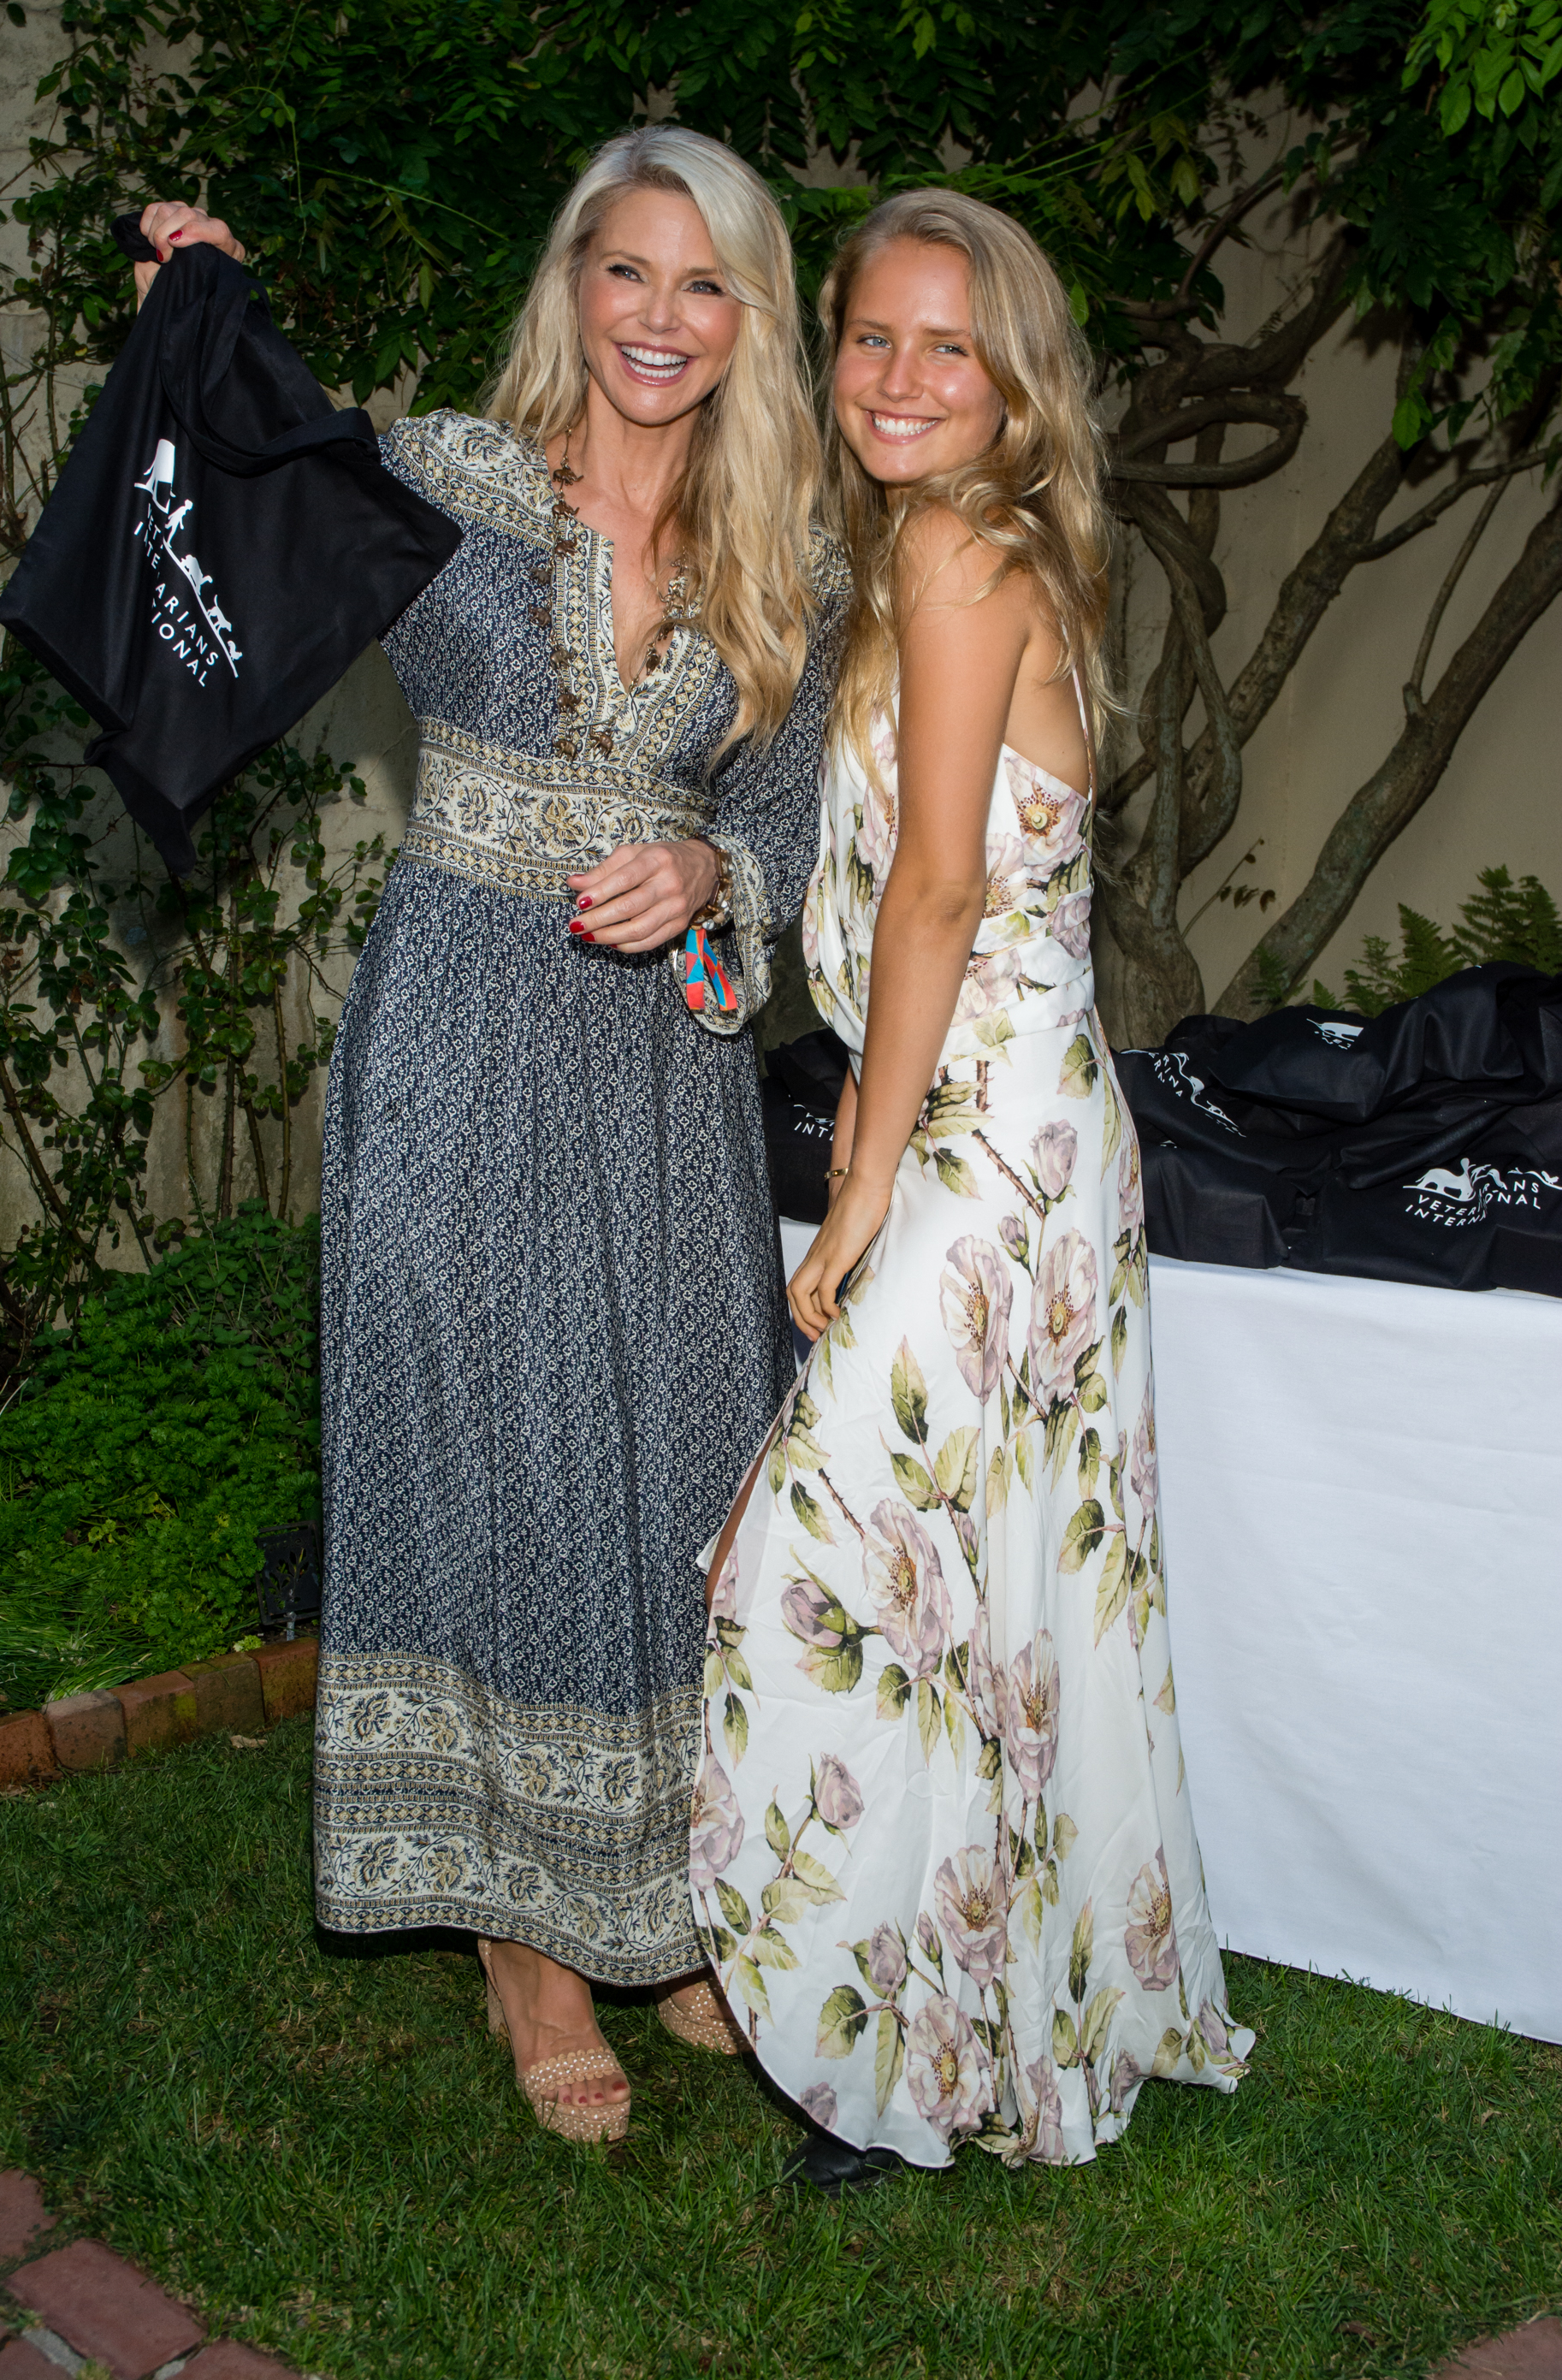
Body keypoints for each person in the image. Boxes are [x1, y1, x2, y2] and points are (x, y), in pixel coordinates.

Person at [134, 127, 845, 2142]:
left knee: (676, 1463)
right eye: (626, 271)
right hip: (456, 1033)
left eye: (703, 284)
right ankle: (523, 1958)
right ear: (573, 284)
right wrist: (211, 314)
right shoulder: (447, 485)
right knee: (480, 1441)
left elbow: (791, 823)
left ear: (749, 322)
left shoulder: (790, 551)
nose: (658, 317)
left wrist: (710, 868)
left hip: (657, 1075)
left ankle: (659, 1906)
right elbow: (268, 498)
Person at [692, 189, 1253, 2173]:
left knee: (845, 1553)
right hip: (1005, 1124)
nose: (897, 377)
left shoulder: (952, 549)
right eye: (867, 337)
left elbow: (937, 889)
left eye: (946, 345)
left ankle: (904, 2026)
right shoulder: (953, 547)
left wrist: (853, 1194)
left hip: (987, 1149)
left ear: (1013, 382)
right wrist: (863, 1140)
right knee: (974, 1573)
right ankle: (946, 2009)